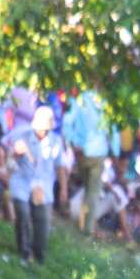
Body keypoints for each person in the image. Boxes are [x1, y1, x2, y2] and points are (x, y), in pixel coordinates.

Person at [5, 105, 66, 263]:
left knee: (42, 221)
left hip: (42, 185)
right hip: (22, 180)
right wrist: (15, 154)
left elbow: (60, 166)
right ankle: (23, 251)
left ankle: (38, 254)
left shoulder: (55, 141)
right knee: (23, 213)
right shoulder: (22, 134)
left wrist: (63, 188)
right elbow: (8, 156)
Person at [61, 90, 112, 235]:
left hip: (82, 151)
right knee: (92, 190)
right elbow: (112, 129)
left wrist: (73, 142)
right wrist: (114, 151)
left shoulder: (78, 99)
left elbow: (67, 123)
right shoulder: (106, 101)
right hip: (99, 151)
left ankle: (84, 223)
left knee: (88, 188)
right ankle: (87, 229)